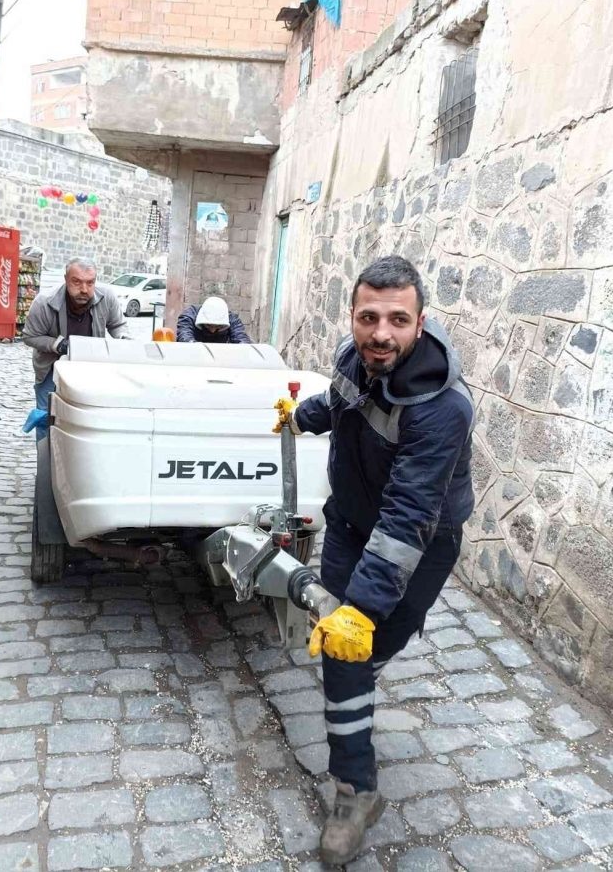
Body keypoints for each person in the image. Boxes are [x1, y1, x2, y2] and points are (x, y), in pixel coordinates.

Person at [274, 255, 475, 865]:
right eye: (368, 317)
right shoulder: (352, 356)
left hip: (420, 543)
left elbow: (409, 515)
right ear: (354, 316)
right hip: (349, 525)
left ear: (420, 324)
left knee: (361, 642)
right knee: (342, 654)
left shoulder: (443, 407)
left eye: (397, 319)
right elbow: (341, 400)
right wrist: (302, 417)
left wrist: (360, 609)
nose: (380, 332)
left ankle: (358, 677)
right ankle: (355, 792)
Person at [23, 257, 130, 439]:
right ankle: (47, 464)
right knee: (46, 417)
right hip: (52, 366)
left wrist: (124, 339)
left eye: (90, 283)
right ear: (66, 279)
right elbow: (30, 336)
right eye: (77, 282)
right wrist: (57, 344)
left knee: (88, 414)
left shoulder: (107, 297)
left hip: (91, 366)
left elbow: (118, 324)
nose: (84, 289)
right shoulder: (44, 302)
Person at [176, 296, 251, 344]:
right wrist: (193, 344)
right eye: (208, 325)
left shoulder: (232, 320)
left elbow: (242, 339)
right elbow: (184, 336)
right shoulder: (189, 317)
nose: (212, 330)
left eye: (218, 326)